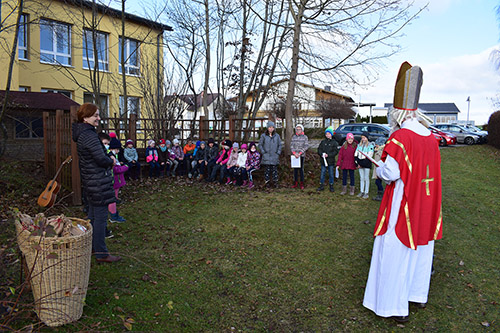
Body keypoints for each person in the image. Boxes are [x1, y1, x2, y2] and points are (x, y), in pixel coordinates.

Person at [363, 62, 442, 323]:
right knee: (420, 249)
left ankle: (393, 307)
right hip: (426, 202)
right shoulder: (430, 136)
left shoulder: (400, 138)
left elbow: (391, 173)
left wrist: (379, 166)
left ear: (396, 113)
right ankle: (416, 294)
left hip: (403, 203)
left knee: (395, 251)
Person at [72, 103, 121, 263]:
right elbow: (100, 158)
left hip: (91, 181)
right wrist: (111, 161)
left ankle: (93, 247)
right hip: (97, 182)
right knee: (99, 218)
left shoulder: (85, 134)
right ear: (85, 117)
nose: (99, 118)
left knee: (93, 217)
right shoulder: (89, 135)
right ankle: (101, 253)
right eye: (96, 116)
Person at [108, 136, 127, 223]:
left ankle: (113, 213)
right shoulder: (111, 157)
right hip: (114, 181)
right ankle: (113, 215)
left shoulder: (114, 156)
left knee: (114, 197)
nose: (118, 151)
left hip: (116, 181)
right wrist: (126, 167)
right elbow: (116, 169)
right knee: (113, 199)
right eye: (117, 149)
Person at [258, 121, 282, 188]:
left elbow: (280, 145)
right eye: (270, 127)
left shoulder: (277, 136)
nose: (271, 129)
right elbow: (260, 145)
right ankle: (267, 183)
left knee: (274, 170)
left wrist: (278, 153)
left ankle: (275, 183)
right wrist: (263, 152)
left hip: (274, 156)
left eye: (272, 127)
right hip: (266, 156)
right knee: (267, 171)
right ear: (267, 128)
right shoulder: (263, 136)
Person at [317, 126, 339, 192]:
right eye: (326, 134)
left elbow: (335, 151)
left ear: (331, 134)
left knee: (331, 174)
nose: (327, 135)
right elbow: (319, 149)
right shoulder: (323, 142)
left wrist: (328, 155)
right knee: (322, 173)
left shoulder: (334, 143)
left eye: (329, 134)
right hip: (323, 161)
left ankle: (331, 185)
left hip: (330, 161)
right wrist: (322, 154)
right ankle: (321, 185)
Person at [355, 132, 375, 199]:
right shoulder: (359, 145)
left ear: (367, 138)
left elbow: (370, 155)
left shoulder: (370, 145)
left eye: (364, 138)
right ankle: (361, 191)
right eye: (362, 138)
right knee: (361, 178)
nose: (363, 139)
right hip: (360, 163)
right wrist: (357, 163)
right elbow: (356, 153)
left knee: (366, 178)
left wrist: (363, 163)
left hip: (366, 163)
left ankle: (366, 192)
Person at [290, 124, 309, 189]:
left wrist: (300, 153)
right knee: (295, 170)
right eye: (297, 129)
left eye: (299, 129)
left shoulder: (305, 137)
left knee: (301, 170)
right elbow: (291, 145)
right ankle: (295, 183)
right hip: (295, 156)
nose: (298, 130)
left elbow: (306, 146)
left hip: (301, 156)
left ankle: (302, 183)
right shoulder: (294, 137)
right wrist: (294, 153)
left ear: (302, 130)